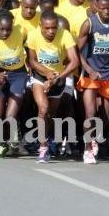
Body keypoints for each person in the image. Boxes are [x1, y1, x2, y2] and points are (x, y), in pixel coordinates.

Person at [76, 0, 109, 164]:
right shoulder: (89, 24)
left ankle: (95, 137)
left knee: (105, 118)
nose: (106, 11)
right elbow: (76, 50)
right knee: (91, 113)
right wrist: (88, 69)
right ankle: (87, 148)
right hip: (92, 74)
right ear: (96, 7)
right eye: (102, 8)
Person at [26, 11, 79, 164]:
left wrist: (57, 78)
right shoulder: (33, 35)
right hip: (40, 76)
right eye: (47, 28)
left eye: (54, 28)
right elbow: (32, 60)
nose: (51, 32)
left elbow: (74, 61)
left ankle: (48, 140)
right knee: (43, 108)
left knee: (50, 114)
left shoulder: (65, 35)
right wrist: (47, 73)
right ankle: (43, 149)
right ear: (40, 26)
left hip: (59, 77)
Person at [0, 12, 28, 155]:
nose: (5, 32)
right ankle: (2, 143)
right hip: (0, 74)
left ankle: (14, 142)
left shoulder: (21, 31)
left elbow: (29, 48)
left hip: (18, 74)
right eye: (2, 29)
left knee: (10, 116)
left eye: (8, 29)